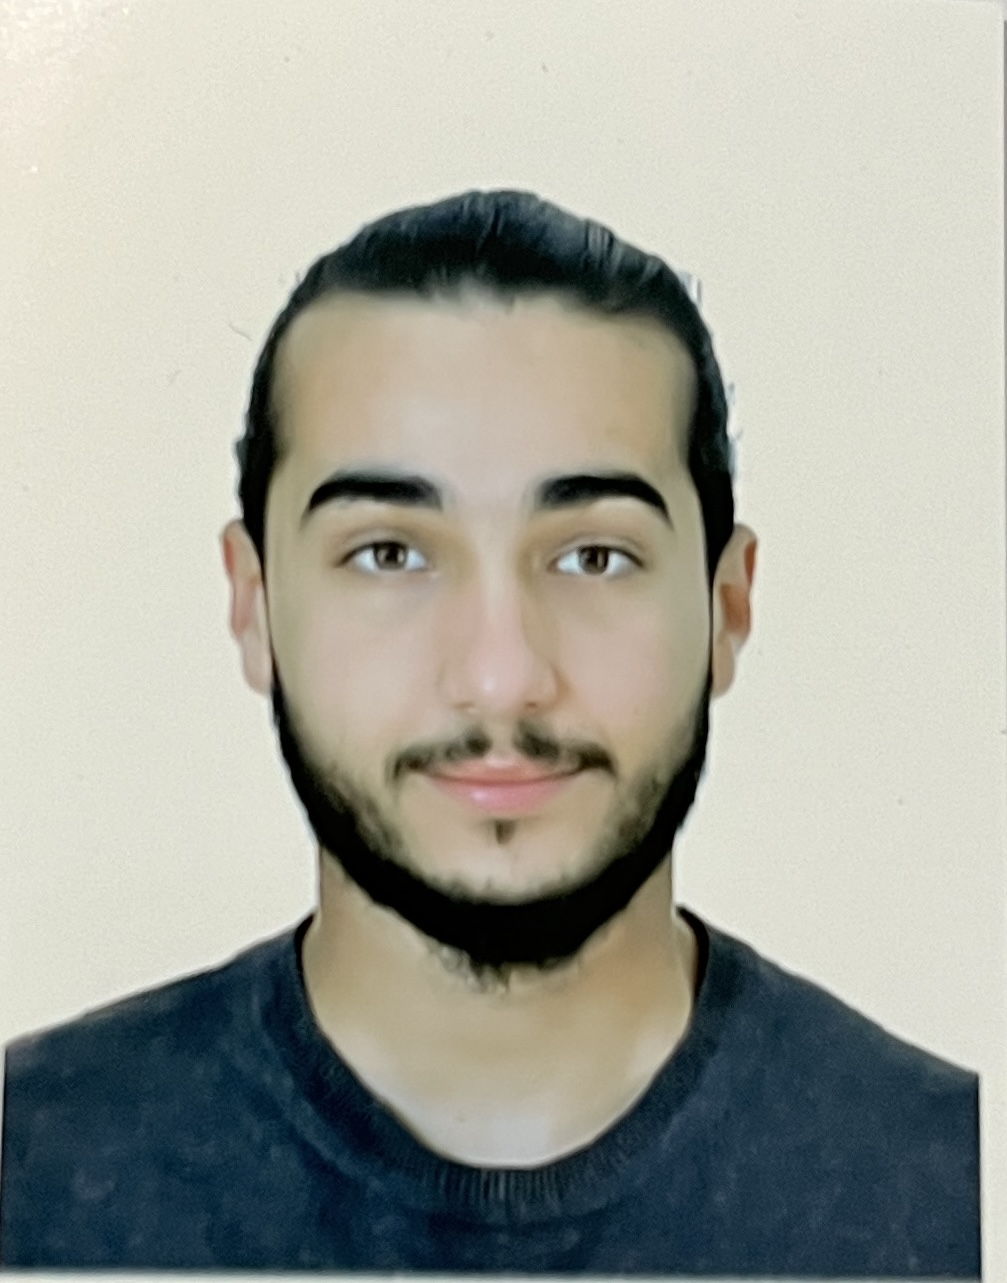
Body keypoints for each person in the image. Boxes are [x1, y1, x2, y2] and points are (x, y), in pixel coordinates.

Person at [0, 190, 980, 1275]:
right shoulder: (32, 1169)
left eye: (593, 556)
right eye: (389, 553)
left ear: (726, 605)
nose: (500, 675)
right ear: (253, 603)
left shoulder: (956, 1195)